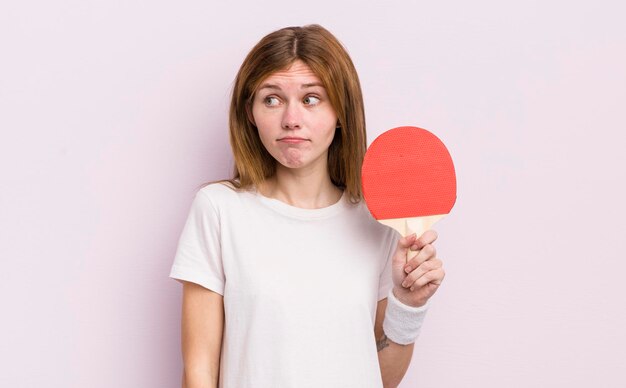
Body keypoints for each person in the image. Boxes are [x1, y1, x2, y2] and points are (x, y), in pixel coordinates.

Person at [169, 24, 446, 388]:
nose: (291, 119)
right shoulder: (220, 210)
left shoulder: (377, 221)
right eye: (271, 99)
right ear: (249, 113)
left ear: (341, 112)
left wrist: (408, 305)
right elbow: (199, 371)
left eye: (311, 98)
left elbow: (382, 377)